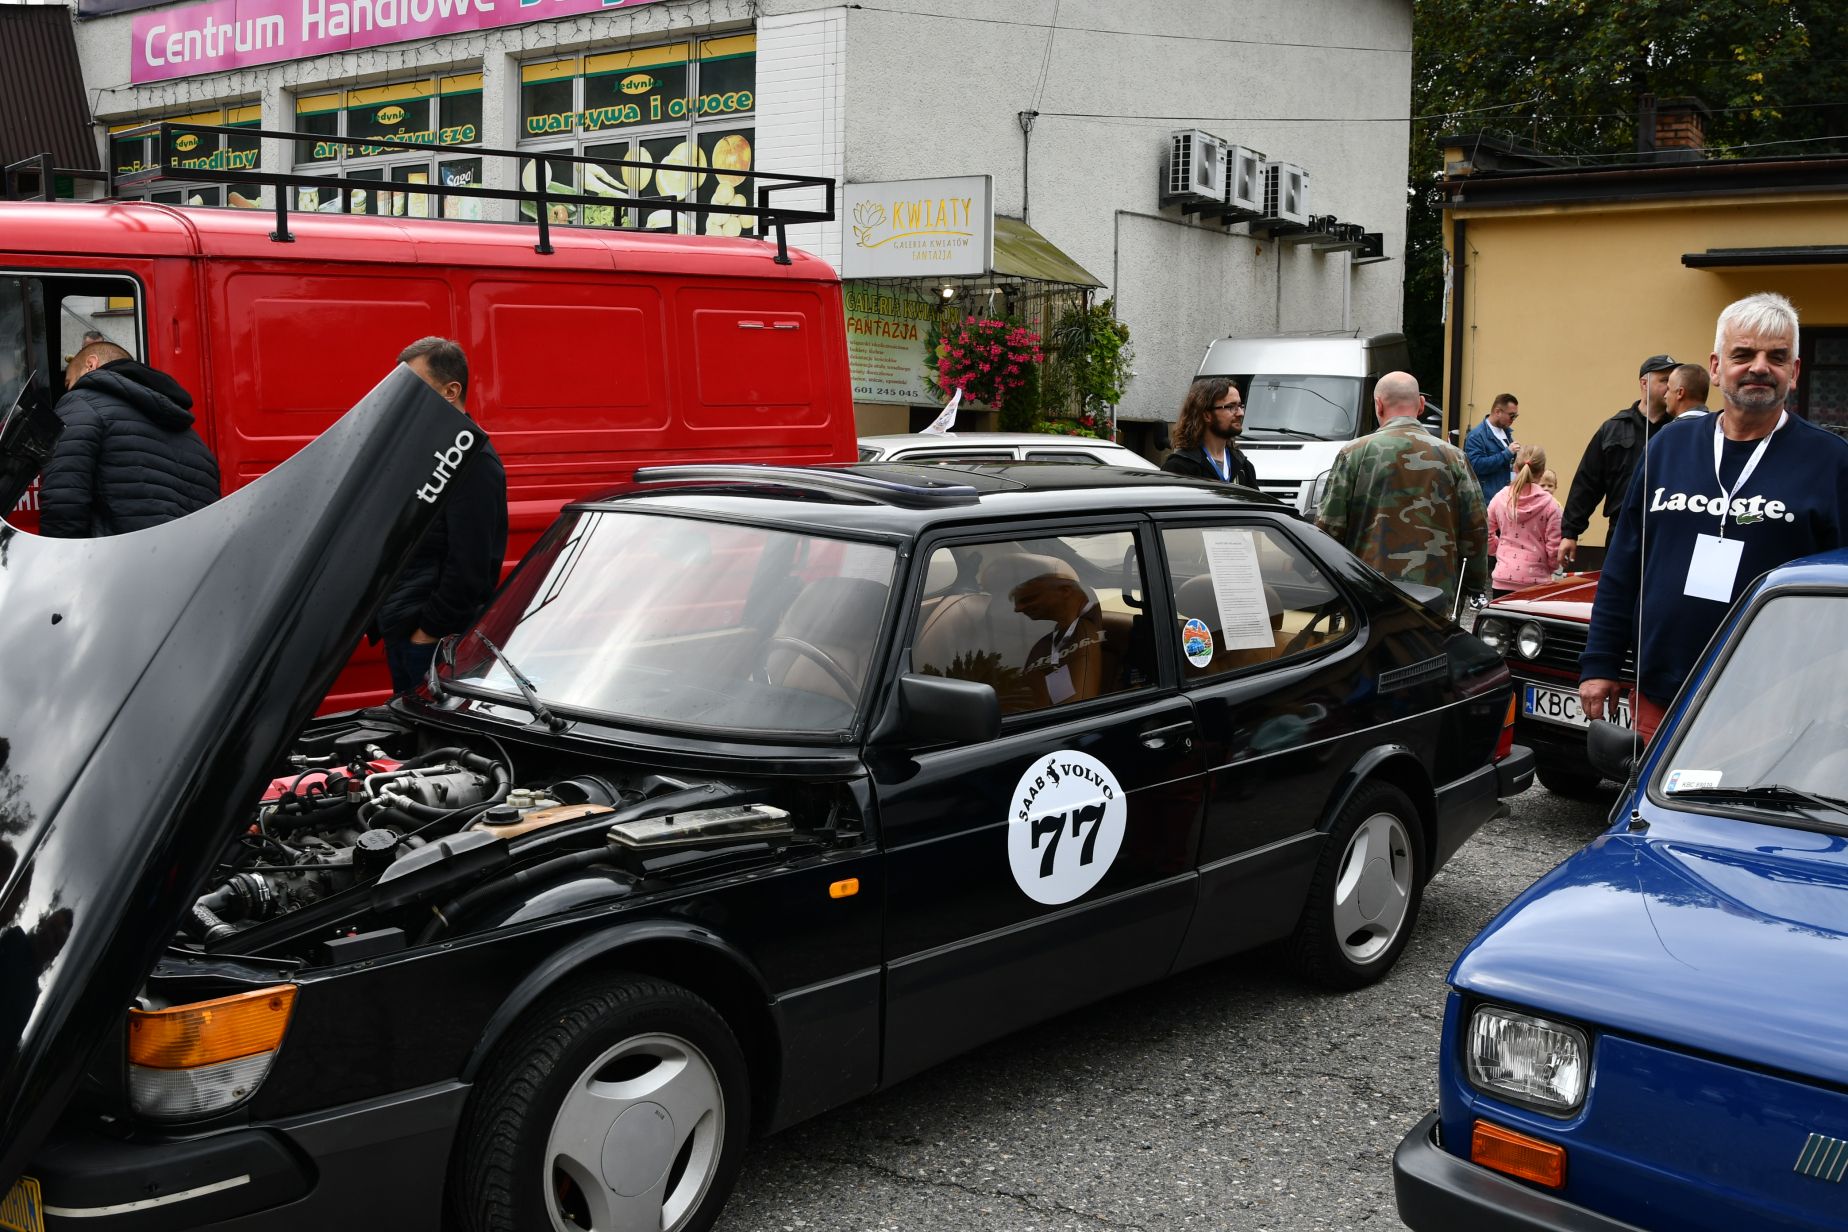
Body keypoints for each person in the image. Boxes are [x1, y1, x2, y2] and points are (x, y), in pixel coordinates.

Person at [1580, 292, 1848, 742]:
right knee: (1658, 812)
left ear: (1795, 372)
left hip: (1776, 701)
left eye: (1777, 357)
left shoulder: (1831, 461)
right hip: (1663, 690)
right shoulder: (1668, 447)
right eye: (1743, 354)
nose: (1760, 367)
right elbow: (1624, 561)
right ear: (1718, 366)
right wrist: (1601, 662)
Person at [377, 337, 508, 694]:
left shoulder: (474, 462)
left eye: (415, 387)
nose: (403, 400)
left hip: (429, 638)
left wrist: (428, 632)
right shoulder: (434, 453)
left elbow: (471, 565)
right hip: (405, 626)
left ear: (451, 390)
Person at [1316, 371, 1489, 614]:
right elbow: (1476, 529)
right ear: (1421, 405)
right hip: (1436, 596)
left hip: (1368, 593)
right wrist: (1474, 584)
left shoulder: (1353, 454)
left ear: (1378, 404)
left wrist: (1327, 584)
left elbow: (1329, 529)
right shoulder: (1454, 457)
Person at [38, 340, 219, 538]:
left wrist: (62, 563)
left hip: (116, 563)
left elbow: (63, 497)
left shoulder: (81, 402)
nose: (70, 389)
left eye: (69, 382)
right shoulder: (195, 440)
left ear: (91, 364)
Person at [1559, 353, 1682, 567]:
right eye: (1664, 380)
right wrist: (1570, 532)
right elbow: (1587, 482)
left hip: (1668, 530)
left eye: (1673, 381)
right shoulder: (1613, 428)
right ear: (1644, 383)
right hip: (1622, 530)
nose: (1670, 387)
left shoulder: (1680, 429)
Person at [1011, 564, 1103, 706]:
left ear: (1065, 591)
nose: (1017, 609)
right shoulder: (1053, 636)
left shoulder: (1085, 632)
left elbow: (1076, 713)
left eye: (1029, 599)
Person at [1486, 443, 1561, 597]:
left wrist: (1497, 549)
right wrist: (1553, 567)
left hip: (1503, 576)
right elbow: (1554, 546)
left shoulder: (1500, 498)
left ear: (1515, 468)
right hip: (1536, 581)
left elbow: (1485, 532)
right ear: (1542, 472)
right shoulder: (1551, 505)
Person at [1162, 377, 1258, 486]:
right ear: (1207, 415)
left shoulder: (1243, 466)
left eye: (1240, 406)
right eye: (1231, 407)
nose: (1240, 413)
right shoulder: (1179, 467)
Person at [1464, 393, 1520, 504]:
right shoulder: (1476, 436)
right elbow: (1475, 466)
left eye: (1515, 416)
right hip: (1487, 502)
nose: (1513, 419)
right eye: (1511, 415)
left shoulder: (1506, 432)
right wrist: (1507, 454)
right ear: (1498, 412)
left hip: (1505, 500)